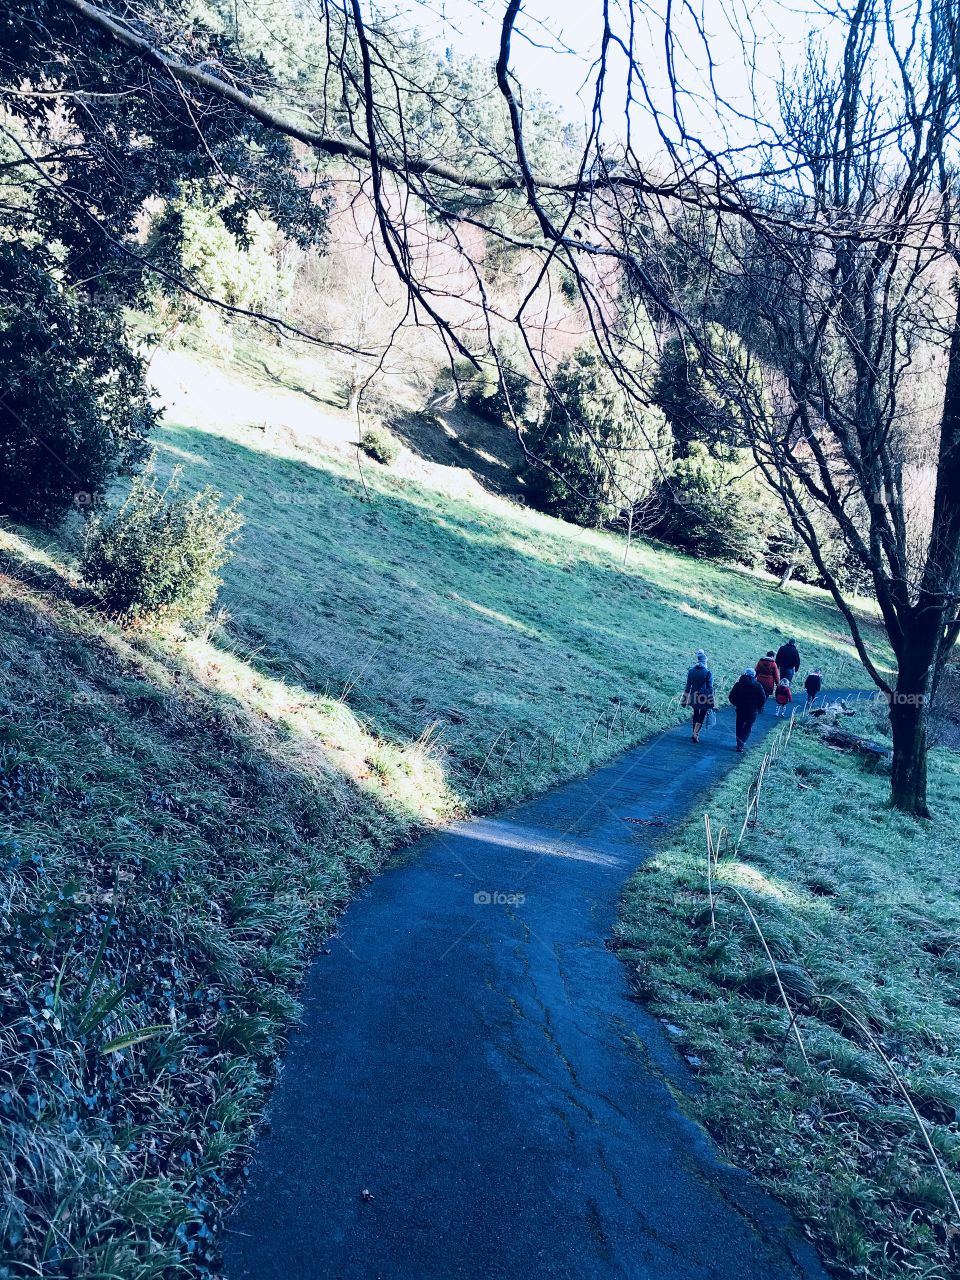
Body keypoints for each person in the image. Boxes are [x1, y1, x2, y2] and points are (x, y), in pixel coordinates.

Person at [728, 667, 766, 751]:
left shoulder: (738, 684)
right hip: (752, 710)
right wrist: (758, 707)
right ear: (754, 675)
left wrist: (736, 704)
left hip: (740, 708)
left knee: (739, 725)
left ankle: (738, 742)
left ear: (745, 674)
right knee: (748, 726)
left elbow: (731, 696)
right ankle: (742, 743)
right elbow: (763, 698)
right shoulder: (758, 685)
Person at [681, 649, 714, 743]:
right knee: (702, 714)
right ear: (705, 662)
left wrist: (684, 700)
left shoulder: (691, 671)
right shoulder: (708, 672)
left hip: (694, 695)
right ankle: (696, 733)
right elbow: (710, 687)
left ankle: (694, 733)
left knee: (695, 713)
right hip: (704, 696)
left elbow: (687, 686)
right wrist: (712, 701)